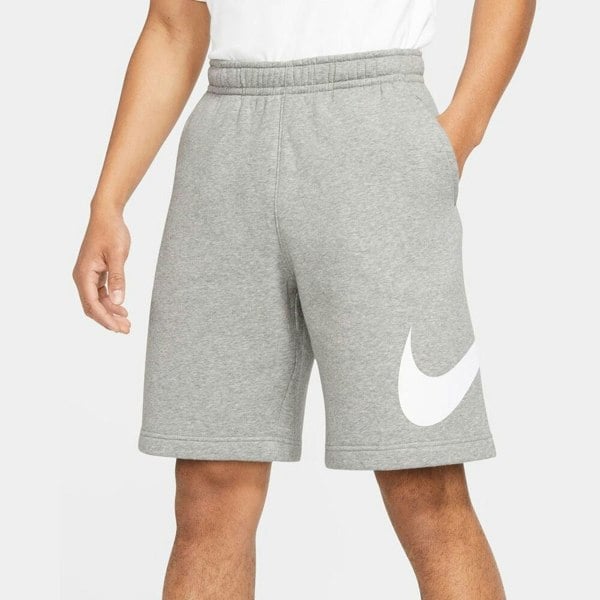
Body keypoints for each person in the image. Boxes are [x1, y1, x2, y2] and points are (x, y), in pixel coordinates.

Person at [73, 0, 535, 597]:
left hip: (376, 126)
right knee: (210, 484)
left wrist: (460, 132)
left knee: (424, 484)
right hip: (224, 145)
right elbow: (173, 24)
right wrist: (109, 200)